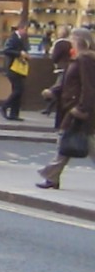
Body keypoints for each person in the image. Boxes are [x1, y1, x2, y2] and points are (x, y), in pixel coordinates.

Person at [36, 28, 95, 190]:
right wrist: (53, 92)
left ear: (80, 40)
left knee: (68, 140)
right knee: (67, 143)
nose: (70, 41)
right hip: (72, 109)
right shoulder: (76, 59)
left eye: (73, 38)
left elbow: (89, 87)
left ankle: (51, 176)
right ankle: (51, 177)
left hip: (79, 111)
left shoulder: (86, 59)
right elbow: (66, 83)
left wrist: (82, 108)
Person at [0, 19, 34, 121]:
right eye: (26, 29)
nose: (27, 32)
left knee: (18, 90)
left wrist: (26, 55)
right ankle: (4, 107)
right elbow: (6, 50)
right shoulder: (13, 38)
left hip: (20, 68)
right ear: (21, 28)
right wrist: (19, 53)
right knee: (19, 89)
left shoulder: (23, 38)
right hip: (12, 68)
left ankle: (14, 114)